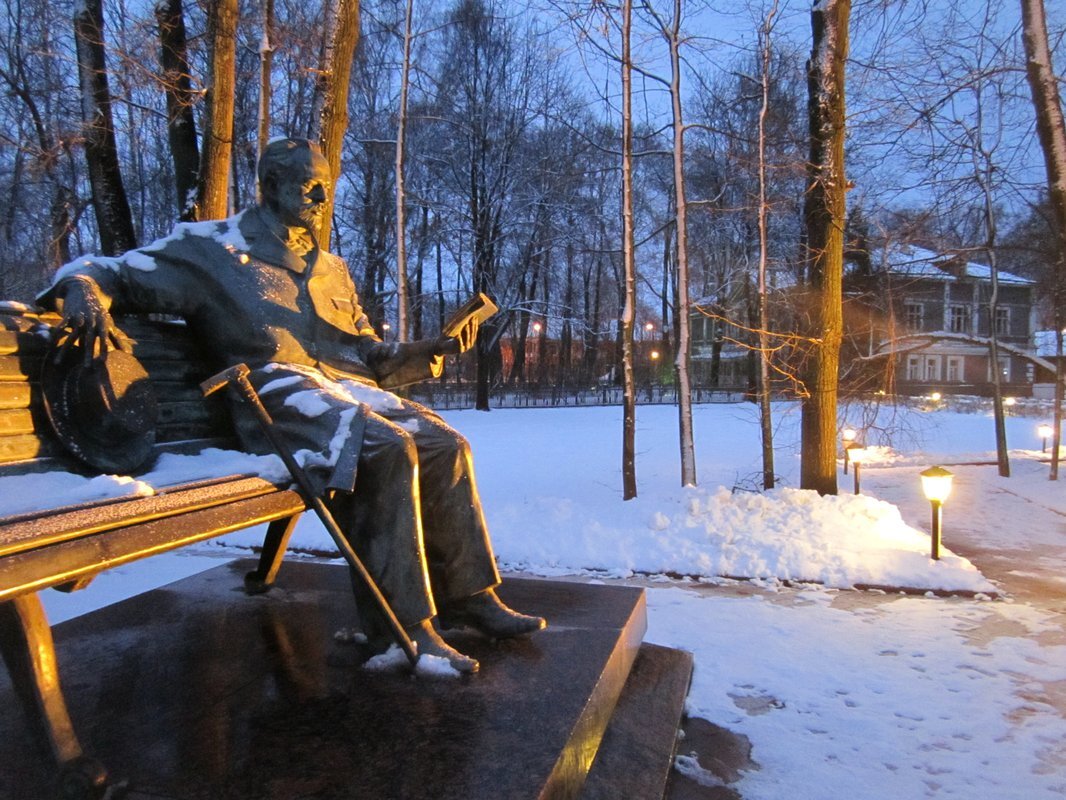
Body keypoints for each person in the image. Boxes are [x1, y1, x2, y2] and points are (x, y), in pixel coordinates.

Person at [42, 137, 544, 674]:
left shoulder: (329, 268)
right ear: (271, 184)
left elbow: (366, 353)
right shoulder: (212, 250)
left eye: (327, 183)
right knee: (384, 449)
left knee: (446, 444)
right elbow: (110, 270)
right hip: (273, 396)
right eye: (310, 183)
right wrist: (82, 289)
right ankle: (403, 630)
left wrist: (428, 352)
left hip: (345, 389)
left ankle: (467, 596)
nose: (323, 194)